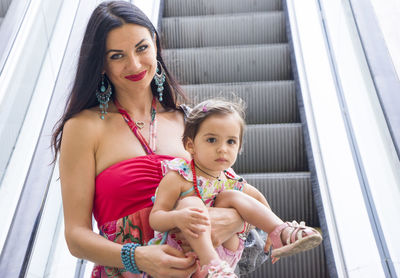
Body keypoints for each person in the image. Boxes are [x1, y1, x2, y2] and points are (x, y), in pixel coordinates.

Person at [51, 1, 247, 277]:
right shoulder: (83, 127)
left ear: (155, 43)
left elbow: (234, 193)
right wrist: (138, 258)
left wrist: (235, 219)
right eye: (117, 56)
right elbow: (76, 236)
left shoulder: (189, 121)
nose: (134, 64)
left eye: (141, 48)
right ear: (102, 63)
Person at [149, 99, 323, 277]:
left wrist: (271, 231)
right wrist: (177, 217)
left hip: (225, 255)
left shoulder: (232, 180)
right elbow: (155, 218)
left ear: (239, 146)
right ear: (190, 145)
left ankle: (283, 232)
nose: (222, 149)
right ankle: (211, 264)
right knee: (190, 202)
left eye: (231, 142)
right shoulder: (178, 177)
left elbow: (258, 200)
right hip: (183, 254)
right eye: (212, 140)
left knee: (232, 196)